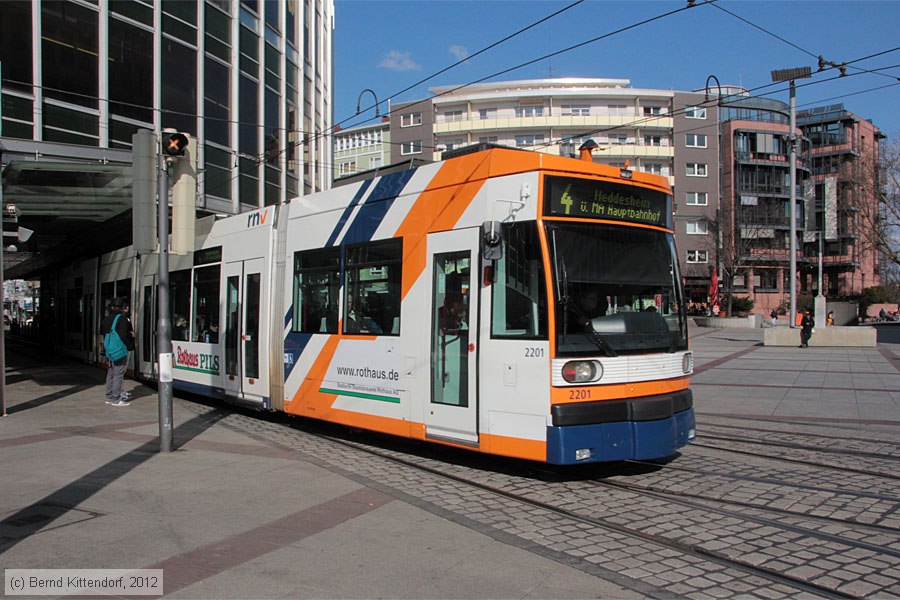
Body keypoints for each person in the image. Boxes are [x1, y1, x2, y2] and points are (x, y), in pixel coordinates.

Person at [101, 297, 135, 406]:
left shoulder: (106, 318)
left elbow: (102, 332)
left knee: (110, 373)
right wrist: (130, 345)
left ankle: (109, 397)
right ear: (121, 307)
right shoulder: (122, 319)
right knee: (118, 373)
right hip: (119, 350)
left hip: (109, 350)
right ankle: (116, 399)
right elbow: (124, 335)